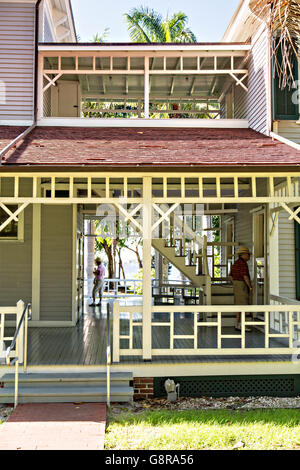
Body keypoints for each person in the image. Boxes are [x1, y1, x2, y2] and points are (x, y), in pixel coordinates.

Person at [229, 246, 253, 332]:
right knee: (243, 305)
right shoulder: (243, 263)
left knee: (238, 305)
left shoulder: (236, 263)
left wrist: (235, 282)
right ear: (244, 255)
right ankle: (242, 325)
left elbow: (230, 275)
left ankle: (237, 324)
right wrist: (250, 286)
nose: (249, 256)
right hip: (242, 285)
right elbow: (245, 276)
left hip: (236, 285)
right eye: (248, 254)